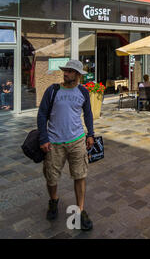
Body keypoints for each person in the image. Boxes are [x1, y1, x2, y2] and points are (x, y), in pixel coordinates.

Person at [37, 59, 94, 231]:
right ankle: (54, 200)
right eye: (65, 70)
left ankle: (80, 210)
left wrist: (90, 134)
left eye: (70, 71)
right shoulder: (53, 90)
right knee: (51, 177)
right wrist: (43, 139)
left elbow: (88, 114)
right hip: (54, 142)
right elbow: (42, 115)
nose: (65, 73)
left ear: (77, 74)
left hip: (77, 141)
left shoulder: (83, 92)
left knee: (80, 175)